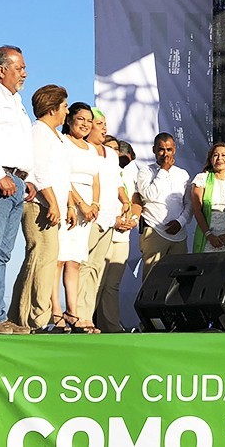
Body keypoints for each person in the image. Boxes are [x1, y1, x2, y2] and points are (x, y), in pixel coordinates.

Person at [8, 85, 70, 331]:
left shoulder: (55, 135)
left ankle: (28, 316)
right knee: (40, 259)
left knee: (45, 260)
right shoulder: (39, 132)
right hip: (39, 205)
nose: (66, 112)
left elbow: (60, 174)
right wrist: (53, 202)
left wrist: (68, 204)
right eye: (64, 106)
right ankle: (29, 318)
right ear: (53, 108)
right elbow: (39, 172)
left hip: (52, 205)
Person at [76, 108, 130, 329]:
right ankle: (77, 316)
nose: (104, 128)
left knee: (97, 269)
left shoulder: (110, 155)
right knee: (83, 267)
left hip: (108, 220)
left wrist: (125, 201)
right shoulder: (84, 150)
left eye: (104, 124)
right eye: (99, 124)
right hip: (89, 218)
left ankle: (87, 317)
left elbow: (117, 182)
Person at [0, 45, 33, 334]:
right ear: (1, 70)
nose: (24, 73)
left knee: (4, 253)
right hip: (1, 181)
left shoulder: (16, 101)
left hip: (16, 182)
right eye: (19, 68)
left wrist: (27, 178)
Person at [56, 102, 101, 333]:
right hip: (68, 206)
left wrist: (94, 204)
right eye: (80, 119)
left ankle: (72, 312)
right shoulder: (62, 142)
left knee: (75, 261)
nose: (85, 124)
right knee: (59, 260)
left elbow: (95, 180)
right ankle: (56, 312)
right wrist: (79, 204)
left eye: (88, 120)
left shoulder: (91, 149)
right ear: (69, 119)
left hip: (86, 213)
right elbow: (62, 177)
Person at [94, 138, 140, 332]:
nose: (115, 156)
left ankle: (110, 326)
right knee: (96, 281)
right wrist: (115, 220)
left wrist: (134, 218)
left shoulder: (129, 175)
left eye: (118, 154)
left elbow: (136, 201)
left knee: (112, 284)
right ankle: (84, 320)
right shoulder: (100, 172)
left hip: (123, 234)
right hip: (104, 230)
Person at [136, 132, 192, 280]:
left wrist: (180, 222)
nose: (165, 154)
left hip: (179, 234)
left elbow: (189, 203)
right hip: (154, 230)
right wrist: (163, 170)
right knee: (152, 279)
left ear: (174, 150)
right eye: (161, 149)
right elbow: (149, 195)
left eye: (169, 150)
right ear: (154, 150)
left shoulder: (183, 174)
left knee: (179, 279)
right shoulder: (145, 171)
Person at [191, 141, 225, 253]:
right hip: (207, 233)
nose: (219, 158)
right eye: (215, 155)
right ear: (211, 160)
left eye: (224, 155)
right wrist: (209, 235)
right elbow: (196, 210)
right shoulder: (201, 179)